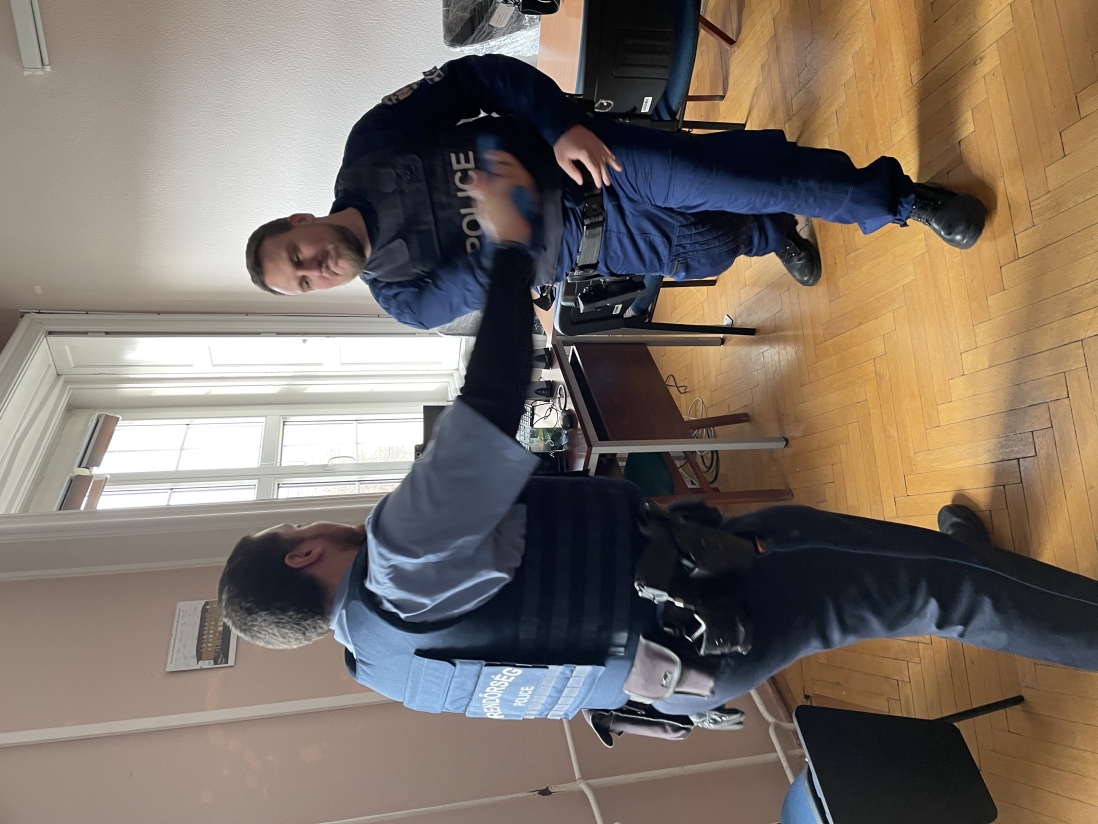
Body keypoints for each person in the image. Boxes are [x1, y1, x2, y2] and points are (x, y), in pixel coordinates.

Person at [219, 158, 1077, 746]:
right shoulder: (398, 560)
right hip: (715, 606)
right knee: (933, 594)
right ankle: (990, 585)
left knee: (851, 553)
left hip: (691, 658)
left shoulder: (384, 668)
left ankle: (974, 567)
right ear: (302, 553)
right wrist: (511, 246)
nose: (314, 524)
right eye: (296, 528)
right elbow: (490, 403)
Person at [243, 55, 987, 330]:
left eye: (297, 254)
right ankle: (774, 232)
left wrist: (559, 125)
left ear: (301, 220)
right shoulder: (403, 300)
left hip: (598, 164)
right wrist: (507, 222)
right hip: (604, 245)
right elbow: (493, 280)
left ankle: (902, 200)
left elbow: (476, 77)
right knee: (719, 243)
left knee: (749, 178)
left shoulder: (371, 144)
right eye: (304, 282)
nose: (316, 268)